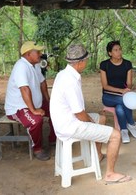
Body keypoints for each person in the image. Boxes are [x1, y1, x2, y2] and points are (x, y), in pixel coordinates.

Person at [50, 44, 131, 184]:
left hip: (64, 121)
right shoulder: (70, 81)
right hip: (70, 126)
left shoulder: (64, 74)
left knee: (101, 118)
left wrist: (94, 121)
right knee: (116, 135)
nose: (86, 63)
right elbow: (80, 114)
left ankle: (98, 155)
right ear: (80, 62)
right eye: (86, 60)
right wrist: (92, 123)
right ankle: (110, 174)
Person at [4, 41, 56, 161]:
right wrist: (33, 110)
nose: (40, 53)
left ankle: (53, 139)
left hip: (34, 103)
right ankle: (37, 149)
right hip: (19, 107)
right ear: (28, 54)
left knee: (55, 109)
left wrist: (48, 101)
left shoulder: (35, 64)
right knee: (36, 121)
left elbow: (42, 82)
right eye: (37, 52)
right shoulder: (21, 67)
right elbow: (24, 89)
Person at [100, 41, 136, 144]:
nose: (119, 52)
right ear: (110, 53)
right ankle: (132, 124)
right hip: (108, 96)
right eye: (115, 50)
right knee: (124, 102)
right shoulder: (104, 65)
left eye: (120, 49)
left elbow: (129, 84)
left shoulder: (127, 64)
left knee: (120, 108)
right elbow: (105, 86)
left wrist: (126, 89)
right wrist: (121, 91)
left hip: (123, 95)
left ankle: (124, 130)